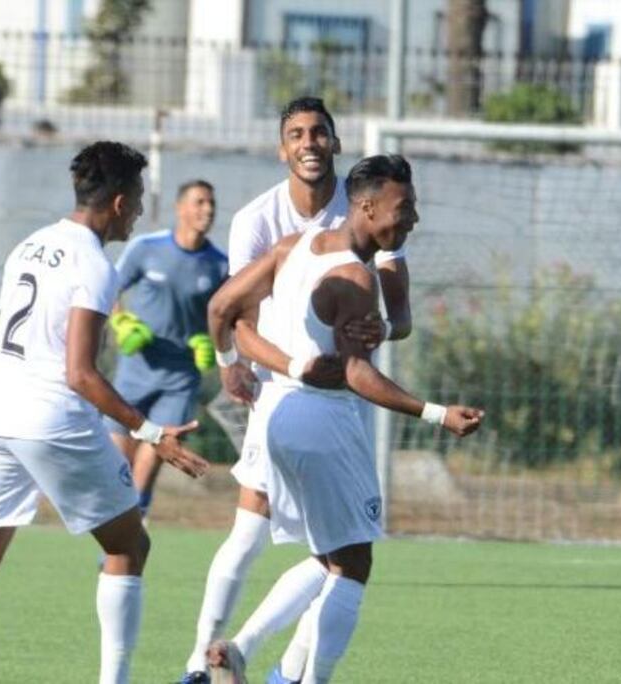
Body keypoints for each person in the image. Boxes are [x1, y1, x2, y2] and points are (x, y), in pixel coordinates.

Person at [0, 142, 210, 684]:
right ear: (117, 203)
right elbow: (80, 373)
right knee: (129, 544)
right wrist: (152, 432)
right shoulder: (95, 264)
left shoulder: (30, 244)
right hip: (50, 417)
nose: (138, 211)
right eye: (136, 199)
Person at [204, 154, 484, 683]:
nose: (414, 218)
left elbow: (222, 309)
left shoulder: (294, 246)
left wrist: (232, 363)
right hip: (324, 425)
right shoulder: (355, 275)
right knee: (353, 566)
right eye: (405, 207)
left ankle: (243, 650)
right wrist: (437, 413)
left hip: (277, 419)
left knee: (327, 555)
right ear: (367, 207)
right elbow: (357, 374)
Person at [180, 97, 412, 682]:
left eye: (319, 133)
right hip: (281, 395)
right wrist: (248, 364)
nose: (309, 143)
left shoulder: (372, 201)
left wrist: (383, 328)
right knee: (262, 534)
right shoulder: (258, 220)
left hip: (343, 399)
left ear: (335, 142)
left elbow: (399, 313)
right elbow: (237, 315)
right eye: (297, 134)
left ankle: (265, 665)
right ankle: (204, 664)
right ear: (282, 148)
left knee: (331, 551)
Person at [106, 179, 226, 518]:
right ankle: (118, 526)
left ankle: (135, 525)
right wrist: (121, 322)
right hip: (135, 370)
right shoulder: (146, 248)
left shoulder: (219, 264)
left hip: (180, 378)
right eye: (200, 202)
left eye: (211, 203)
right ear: (180, 208)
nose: (208, 210)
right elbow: (109, 288)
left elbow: (226, 314)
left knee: (153, 458)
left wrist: (212, 342)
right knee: (117, 467)